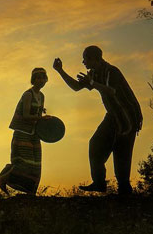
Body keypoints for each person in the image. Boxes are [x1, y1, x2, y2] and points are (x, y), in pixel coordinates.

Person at [53, 46, 142, 195]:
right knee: (95, 144)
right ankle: (99, 182)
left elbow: (111, 90)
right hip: (113, 115)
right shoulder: (93, 74)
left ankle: (125, 192)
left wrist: (93, 83)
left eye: (86, 58)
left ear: (96, 59)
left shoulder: (112, 71)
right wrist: (60, 70)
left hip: (128, 117)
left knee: (122, 154)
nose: (83, 61)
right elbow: (76, 87)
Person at [0, 68, 49, 195]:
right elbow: (26, 115)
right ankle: (3, 177)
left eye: (43, 78)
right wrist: (41, 118)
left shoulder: (41, 96)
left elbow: (38, 115)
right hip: (22, 132)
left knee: (36, 165)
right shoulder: (28, 95)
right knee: (23, 163)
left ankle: (31, 193)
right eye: (38, 78)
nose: (41, 80)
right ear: (33, 80)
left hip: (35, 134)